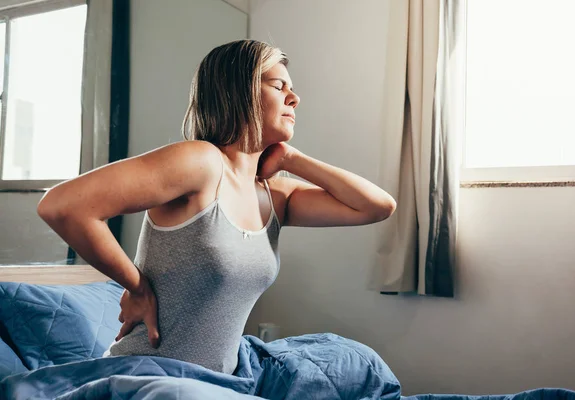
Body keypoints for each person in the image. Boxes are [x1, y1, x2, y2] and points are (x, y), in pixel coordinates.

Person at [37, 40, 397, 375]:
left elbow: (377, 207)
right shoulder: (201, 162)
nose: (295, 98)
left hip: (223, 382)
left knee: (355, 368)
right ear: (238, 91)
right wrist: (137, 286)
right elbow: (63, 206)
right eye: (278, 85)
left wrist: (293, 159)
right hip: (148, 377)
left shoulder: (276, 197)